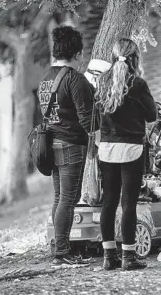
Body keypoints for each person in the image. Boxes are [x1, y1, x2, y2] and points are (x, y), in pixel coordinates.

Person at [38, 26, 99, 265]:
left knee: (59, 197)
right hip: (71, 145)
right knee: (68, 199)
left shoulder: (46, 78)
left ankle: (58, 247)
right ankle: (62, 252)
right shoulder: (74, 78)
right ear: (77, 54)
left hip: (51, 144)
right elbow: (87, 119)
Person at [95, 38, 157, 271]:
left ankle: (109, 256)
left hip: (107, 148)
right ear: (135, 58)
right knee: (128, 204)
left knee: (108, 202)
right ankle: (129, 257)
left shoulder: (101, 81)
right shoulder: (138, 84)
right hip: (131, 148)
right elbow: (151, 116)